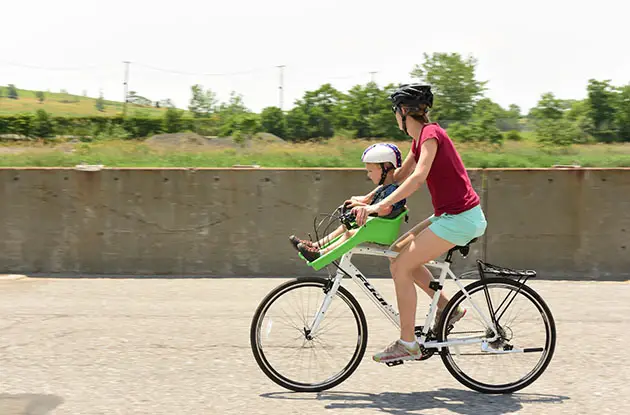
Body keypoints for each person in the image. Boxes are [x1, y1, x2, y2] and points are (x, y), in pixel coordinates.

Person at [351, 84, 487, 364]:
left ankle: (407, 343)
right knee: (397, 253)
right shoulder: (419, 139)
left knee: (402, 265)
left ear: (402, 112)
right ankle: (449, 308)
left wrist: (380, 206)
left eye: (394, 112)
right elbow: (399, 176)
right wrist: (367, 199)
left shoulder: (430, 135)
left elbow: (418, 176)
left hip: (460, 218)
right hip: (450, 215)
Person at [289, 143, 407, 262]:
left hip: (382, 229)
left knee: (349, 234)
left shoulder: (393, 190)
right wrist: (356, 202)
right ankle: (316, 246)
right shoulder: (384, 188)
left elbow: (386, 209)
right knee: (345, 226)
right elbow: (371, 202)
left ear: (385, 167)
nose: (368, 174)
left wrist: (362, 207)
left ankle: (320, 253)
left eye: (370, 171)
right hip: (376, 225)